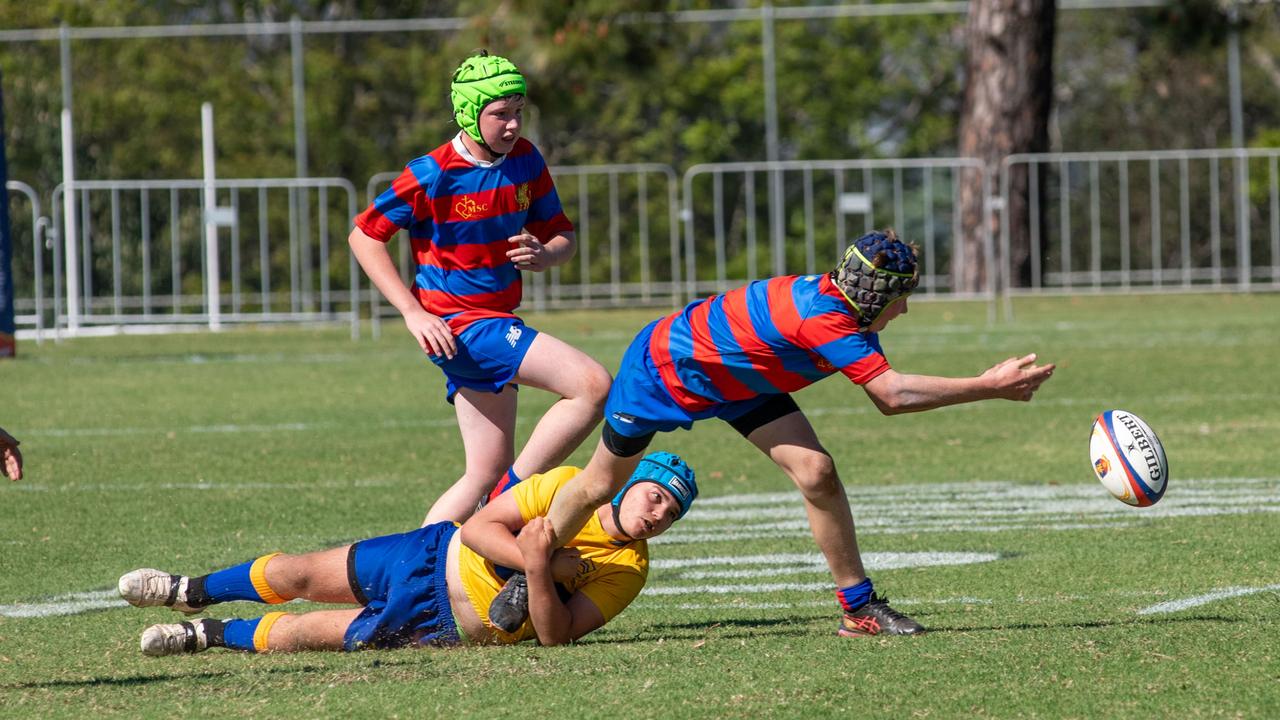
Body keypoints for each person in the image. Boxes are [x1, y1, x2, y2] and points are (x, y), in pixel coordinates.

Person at [491, 229, 1055, 638]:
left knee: (818, 472)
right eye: (900, 296)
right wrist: (989, 385)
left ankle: (858, 608)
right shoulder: (827, 319)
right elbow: (893, 397)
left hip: (740, 380)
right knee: (596, 484)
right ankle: (525, 568)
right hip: (664, 371)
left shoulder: (845, 311)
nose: (904, 309)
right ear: (874, 296)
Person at [348, 51, 611, 524]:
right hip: (460, 326)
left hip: (495, 319)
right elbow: (364, 236)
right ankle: (509, 500)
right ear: (469, 114)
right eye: (500, 114)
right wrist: (412, 313)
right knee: (592, 385)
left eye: (518, 112)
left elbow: (563, 236)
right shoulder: (432, 174)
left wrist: (546, 253)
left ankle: (417, 568)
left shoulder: (526, 160)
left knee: (482, 474)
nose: (512, 125)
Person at [117, 452, 697, 655]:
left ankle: (208, 636)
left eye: (671, 515)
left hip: (443, 625)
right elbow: (476, 530)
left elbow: (556, 634)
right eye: (655, 498)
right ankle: (188, 589)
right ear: (629, 484)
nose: (658, 516)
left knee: (303, 634)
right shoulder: (568, 486)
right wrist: (533, 557)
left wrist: (540, 568)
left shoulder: (629, 571)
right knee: (298, 572)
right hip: (428, 555)